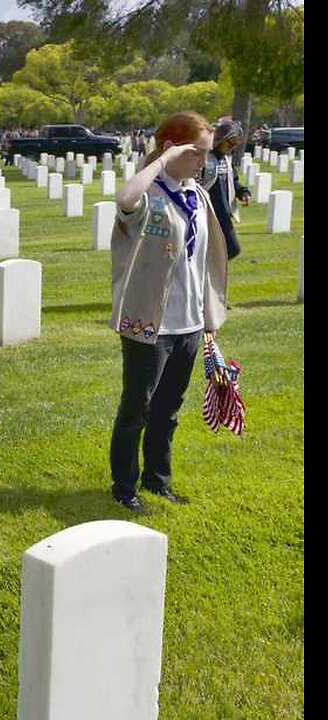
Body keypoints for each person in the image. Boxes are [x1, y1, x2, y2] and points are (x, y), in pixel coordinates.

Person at [109, 112, 229, 514]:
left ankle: (157, 481)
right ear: (171, 147)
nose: (203, 162)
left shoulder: (198, 194)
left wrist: (209, 318)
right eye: (197, 152)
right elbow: (124, 200)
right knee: (136, 409)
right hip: (151, 324)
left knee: (168, 410)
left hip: (190, 323)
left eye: (207, 154)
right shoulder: (150, 195)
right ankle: (123, 487)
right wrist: (160, 161)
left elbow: (203, 263)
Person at [200, 118, 251, 260]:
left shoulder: (226, 159)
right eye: (230, 142)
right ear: (220, 139)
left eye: (236, 143)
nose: (233, 146)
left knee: (232, 249)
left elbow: (232, 181)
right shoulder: (205, 158)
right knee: (227, 249)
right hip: (207, 212)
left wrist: (243, 192)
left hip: (223, 213)